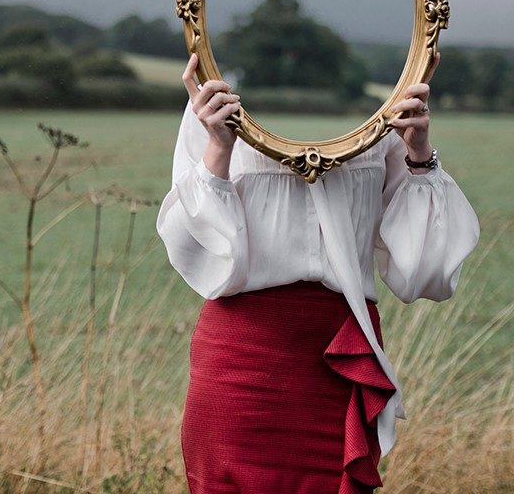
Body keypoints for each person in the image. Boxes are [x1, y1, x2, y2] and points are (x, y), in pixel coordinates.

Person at [156, 52, 481, 493]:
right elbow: (192, 250)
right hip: (241, 367)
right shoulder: (213, 102)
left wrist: (419, 154)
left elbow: (424, 273)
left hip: (339, 361)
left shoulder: (382, 116)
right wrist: (218, 148)